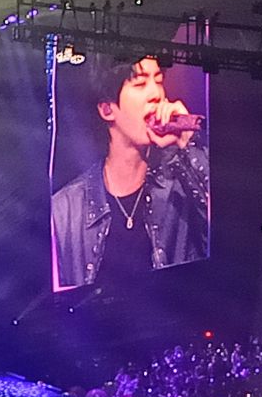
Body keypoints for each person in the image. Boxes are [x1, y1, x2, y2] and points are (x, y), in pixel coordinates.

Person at [51, 56, 209, 288]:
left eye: (158, 80)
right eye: (140, 83)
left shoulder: (183, 183)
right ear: (107, 110)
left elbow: (227, 238)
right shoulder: (66, 209)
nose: (156, 94)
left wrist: (187, 143)